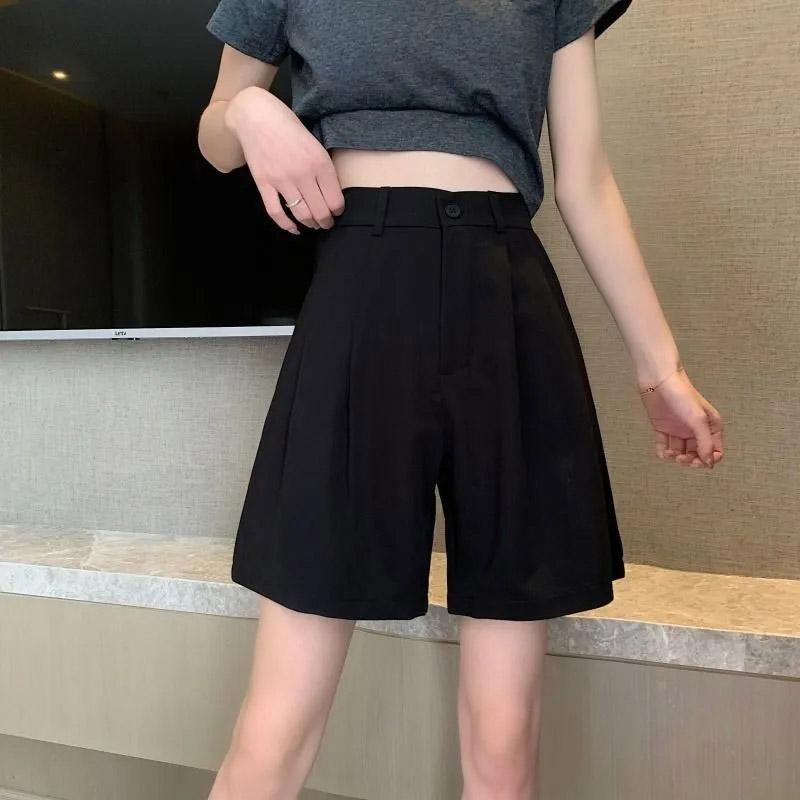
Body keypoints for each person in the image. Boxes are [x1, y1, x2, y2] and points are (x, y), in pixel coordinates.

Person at [197, 1, 725, 797]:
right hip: (361, 296)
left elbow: (585, 180)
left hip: (509, 296)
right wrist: (248, 107)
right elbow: (215, 137)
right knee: (274, 729)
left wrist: (662, 370)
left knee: (504, 742)